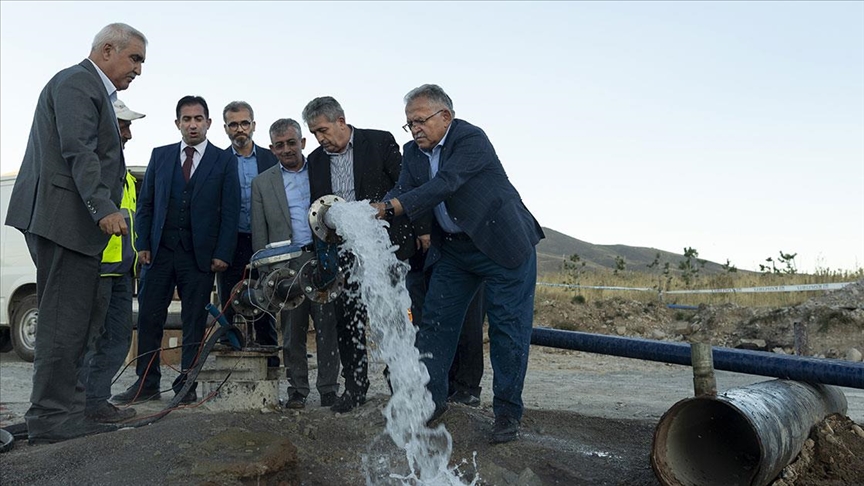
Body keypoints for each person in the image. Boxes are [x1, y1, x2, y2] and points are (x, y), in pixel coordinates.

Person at [374, 84, 544, 444]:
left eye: (420, 121)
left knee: (507, 330)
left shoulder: (470, 139)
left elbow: (444, 185)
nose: (415, 129)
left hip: (502, 246)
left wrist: (390, 208)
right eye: (409, 123)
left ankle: (507, 413)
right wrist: (371, 210)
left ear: (445, 116)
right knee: (435, 324)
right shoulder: (412, 152)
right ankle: (430, 403)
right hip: (455, 250)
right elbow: (403, 189)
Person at [4, 23, 147, 444]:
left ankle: (64, 414)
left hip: (72, 225)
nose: (138, 69)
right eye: (135, 58)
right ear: (107, 50)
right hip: (64, 222)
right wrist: (103, 207)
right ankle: (51, 419)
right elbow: (78, 149)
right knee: (63, 325)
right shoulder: (78, 82)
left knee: (77, 325)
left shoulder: (92, 88)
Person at [112, 95, 240, 405]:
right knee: (149, 319)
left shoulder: (223, 160)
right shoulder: (161, 156)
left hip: (199, 256)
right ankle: (146, 383)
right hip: (159, 253)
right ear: (177, 123)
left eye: (198, 119)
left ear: (208, 123)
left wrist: (223, 252)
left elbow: (230, 210)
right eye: (186, 119)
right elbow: (146, 204)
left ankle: (186, 385)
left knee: (194, 321)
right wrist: (143, 244)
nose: (192, 125)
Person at [302, 96, 419, 413]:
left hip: (385, 247)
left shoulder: (379, 142)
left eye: (323, 130)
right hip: (343, 251)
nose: (320, 138)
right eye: (314, 133)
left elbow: (406, 185)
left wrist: (405, 222)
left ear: (341, 121)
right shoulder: (315, 160)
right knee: (347, 320)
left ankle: (400, 385)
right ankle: (355, 388)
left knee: (393, 316)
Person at [250, 118, 341, 409]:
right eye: (280, 145)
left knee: (327, 326)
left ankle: (329, 388)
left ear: (302, 142)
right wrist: (268, 273)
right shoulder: (261, 183)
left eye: (291, 142)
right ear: (272, 149)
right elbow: (259, 233)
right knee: (292, 331)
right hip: (286, 264)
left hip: (322, 257)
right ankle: (297, 390)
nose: (287, 149)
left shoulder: (321, 170)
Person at [78, 99, 145, 423]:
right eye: (123, 126)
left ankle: (95, 403)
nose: (129, 133)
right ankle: (78, 406)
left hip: (121, 272)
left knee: (118, 339)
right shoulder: (94, 170)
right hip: (97, 269)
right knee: (89, 340)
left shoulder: (125, 175)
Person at [218, 101, 279, 361]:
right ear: (225, 128)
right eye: (233, 124)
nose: (239, 129)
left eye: (244, 123)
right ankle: (229, 353)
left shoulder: (271, 158)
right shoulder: (218, 161)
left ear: (253, 125)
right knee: (229, 299)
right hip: (230, 241)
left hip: (263, 241)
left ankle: (270, 358)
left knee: (266, 296)